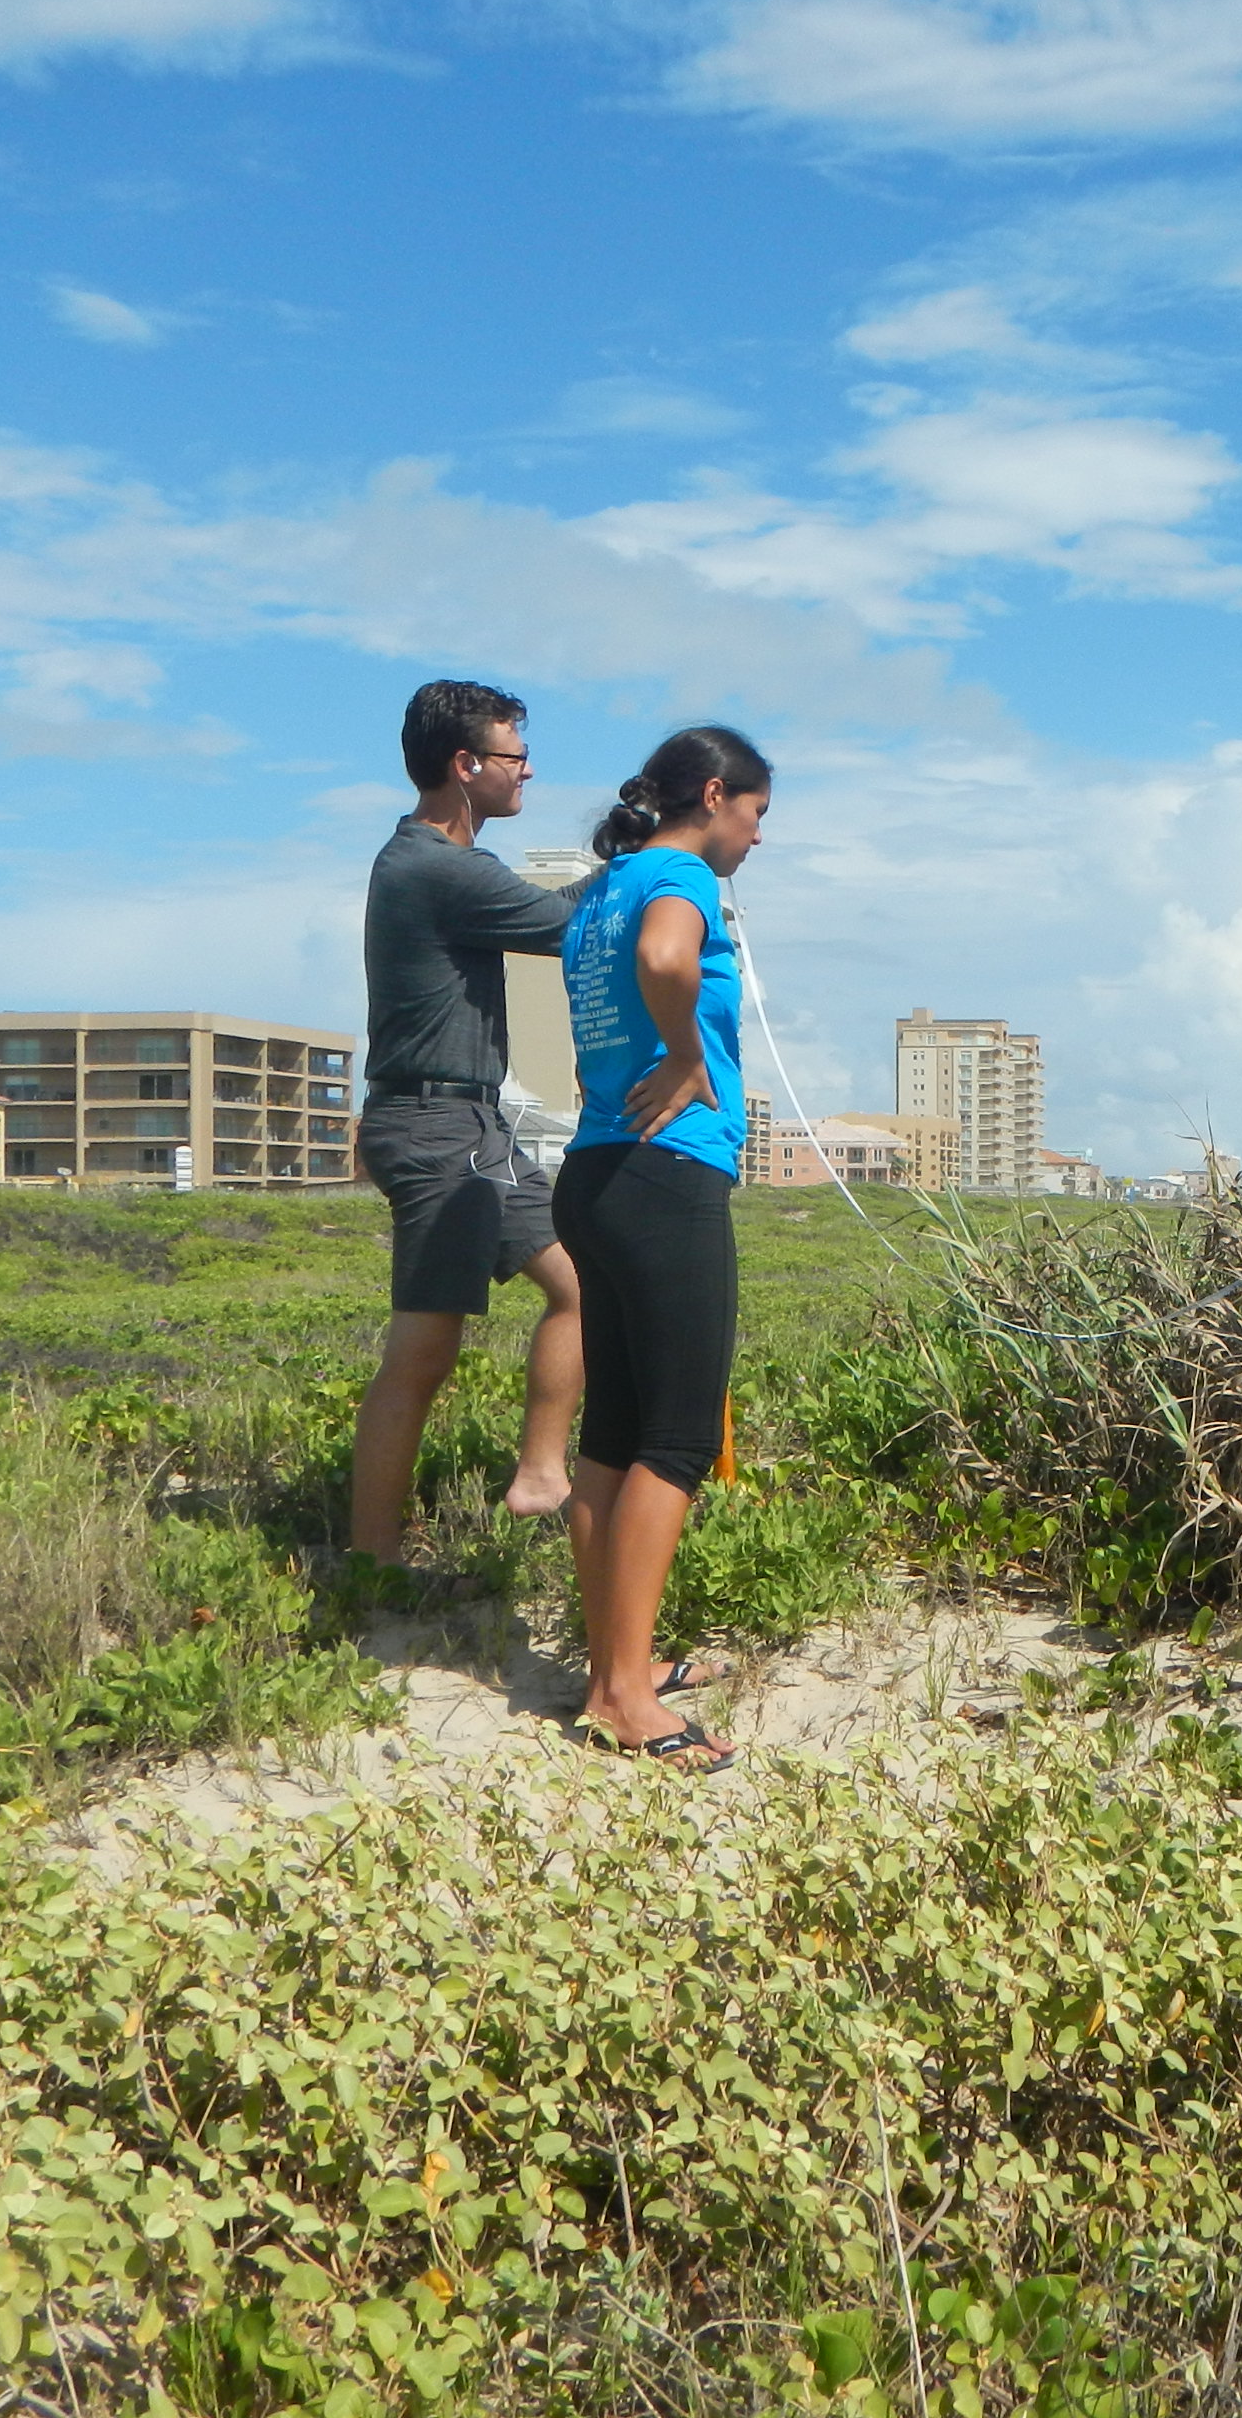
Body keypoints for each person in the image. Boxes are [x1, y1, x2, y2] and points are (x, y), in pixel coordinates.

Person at [552, 726, 775, 1766]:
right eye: (758, 815)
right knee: (678, 1440)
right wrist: (690, 1055)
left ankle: (616, 1672)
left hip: (596, 1175)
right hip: (664, 1174)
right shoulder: (679, 875)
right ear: (718, 796)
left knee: (614, 1434)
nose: (757, 838)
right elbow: (665, 959)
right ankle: (624, 1699)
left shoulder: (604, 884)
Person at [349, 680, 587, 1570]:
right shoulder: (434, 866)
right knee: (425, 1347)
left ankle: (539, 1475)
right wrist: (651, 850)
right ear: (465, 766)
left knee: (580, 1287)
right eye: (516, 757)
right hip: (432, 1124)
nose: (528, 772)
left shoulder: (443, 863)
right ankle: (370, 1565)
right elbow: (573, 922)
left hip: (475, 1123)